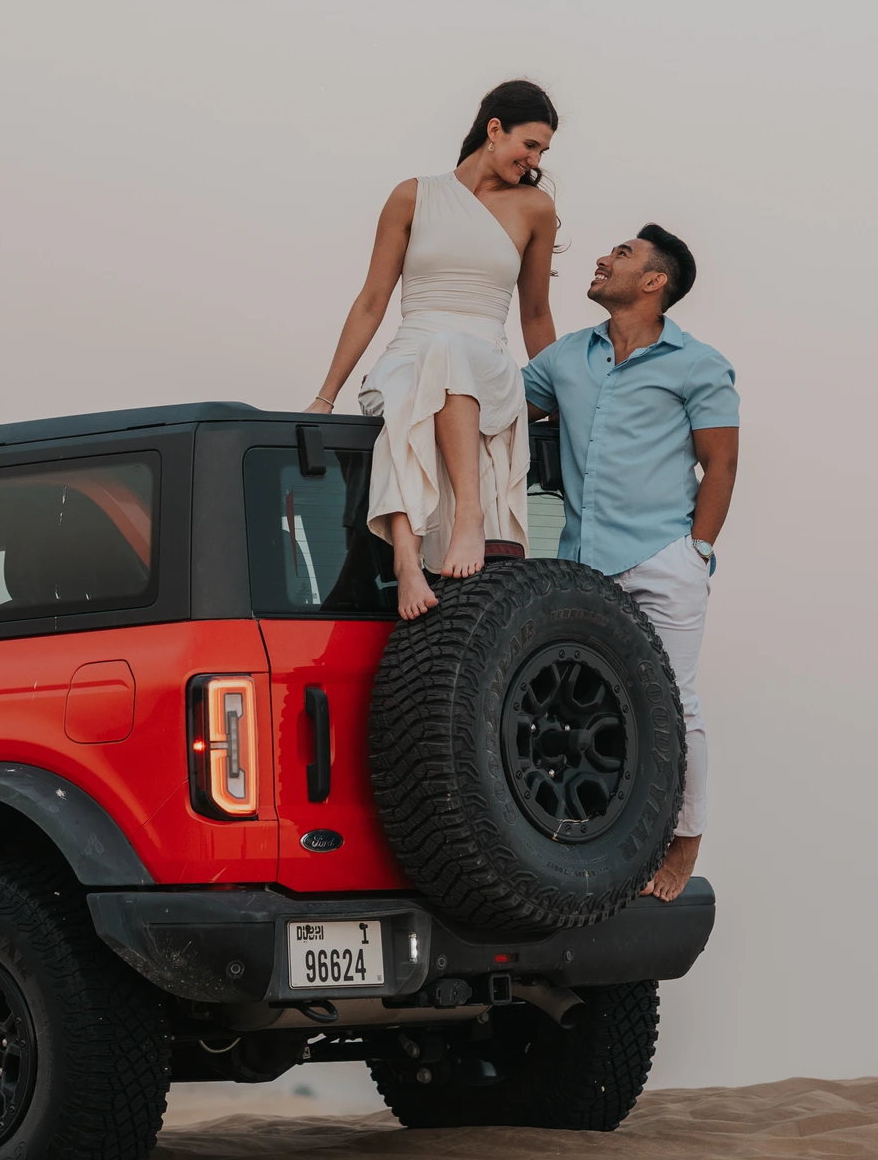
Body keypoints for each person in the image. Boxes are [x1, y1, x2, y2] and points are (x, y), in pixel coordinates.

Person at [523, 224, 738, 900]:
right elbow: (498, 412)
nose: (600, 258)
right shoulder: (563, 360)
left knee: (673, 706)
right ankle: (587, 835)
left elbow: (721, 461)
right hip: (580, 568)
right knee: (575, 710)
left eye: (619, 255)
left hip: (662, 559)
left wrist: (696, 551)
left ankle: (682, 846)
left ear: (653, 283)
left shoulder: (698, 364)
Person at [311, 80, 559, 620]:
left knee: (447, 354)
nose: (535, 159)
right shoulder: (412, 195)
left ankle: (467, 519)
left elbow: (535, 314)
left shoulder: (535, 208)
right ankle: (406, 563)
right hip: (411, 347)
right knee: (405, 388)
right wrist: (325, 397)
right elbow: (374, 299)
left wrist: (559, 397)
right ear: (495, 130)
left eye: (543, 151)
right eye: (531, 144)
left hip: (485, 358)